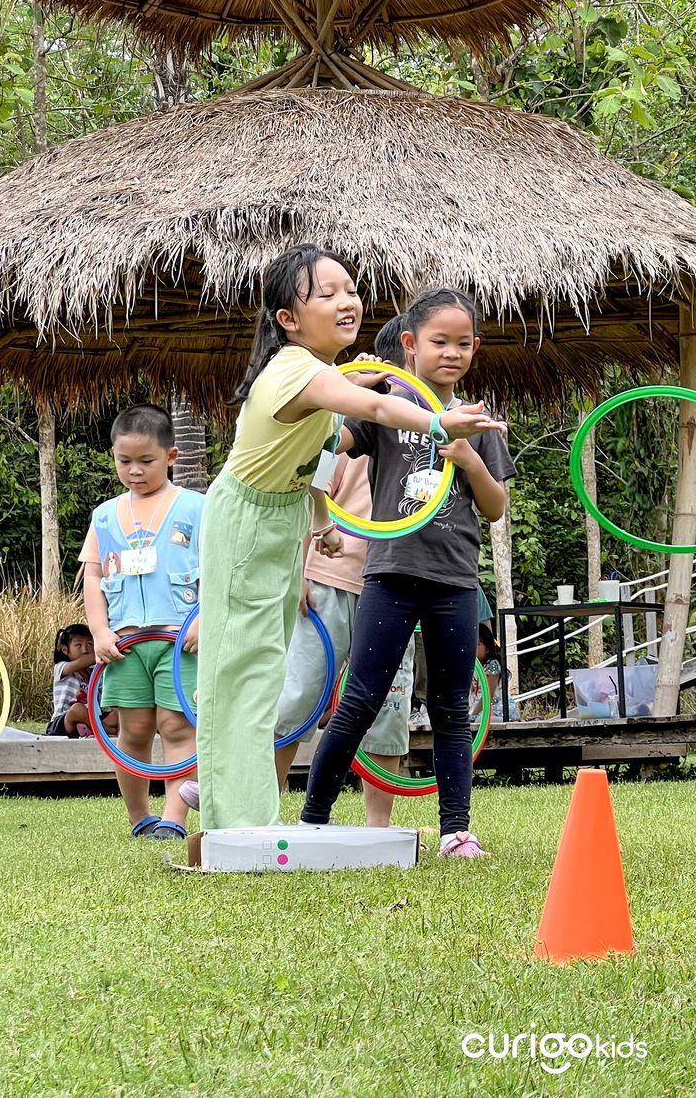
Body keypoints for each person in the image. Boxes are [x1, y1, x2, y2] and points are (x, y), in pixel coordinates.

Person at [196, 246, 504, 833]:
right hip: (249, 520)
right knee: (242, 676)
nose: (348, 301)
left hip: (283, 518)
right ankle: (237, 822)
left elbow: (309, 456)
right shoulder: (297, 369)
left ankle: (247, 818)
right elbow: (371, 410)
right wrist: (438, 421)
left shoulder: (320, 372)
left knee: (260, 675)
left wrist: (319, 521)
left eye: (351, 289)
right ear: (288, 319)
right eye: (327, 293)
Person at [302, 287, 517, 858]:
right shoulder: (385, 411)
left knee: (450, 707)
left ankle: (456, 831)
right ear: (410, 344)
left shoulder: (476, 422)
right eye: (439, 341)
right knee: (360, 699)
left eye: (464, 343)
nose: (452, 353)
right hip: (390, 575)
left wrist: (469, 459)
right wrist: (351, 389)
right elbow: (325, 448)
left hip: (454, 581)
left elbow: (496, 508)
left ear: (475, 349)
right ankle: (313, 822)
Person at [179, 317, 418, 825]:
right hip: (331, 576)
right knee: (295, 693)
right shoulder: (348, 422)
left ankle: (378, 828)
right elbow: (310, 479)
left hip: (396, 581)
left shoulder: (438, 431)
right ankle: (248, 796)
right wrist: (304, 567)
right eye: (407, 364)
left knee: (389, 704)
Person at [80, 404, 204, 840]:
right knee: (132, 731)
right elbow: (93, 576)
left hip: (180, 641)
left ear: (171, 457)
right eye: (124, 461)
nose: (135, 471)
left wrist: (203, 618)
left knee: (177, 726)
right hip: (125, 645)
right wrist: (99, 631)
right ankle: (140, 818)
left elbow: (219, 569)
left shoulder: (197, 507)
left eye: (146, 461)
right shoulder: (104, 515)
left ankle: (174, 819)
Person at [46, 623, 111, 738]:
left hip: (92, 718)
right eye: (78, 645)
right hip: (64, 722)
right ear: (65, 650)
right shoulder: (61, 667)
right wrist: (104, 652)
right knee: (77, 709)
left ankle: (95, 728)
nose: (85, 650)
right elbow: (80, 663)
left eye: (90, 644)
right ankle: (105, 730)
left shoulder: (94, 675)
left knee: (117, 714)